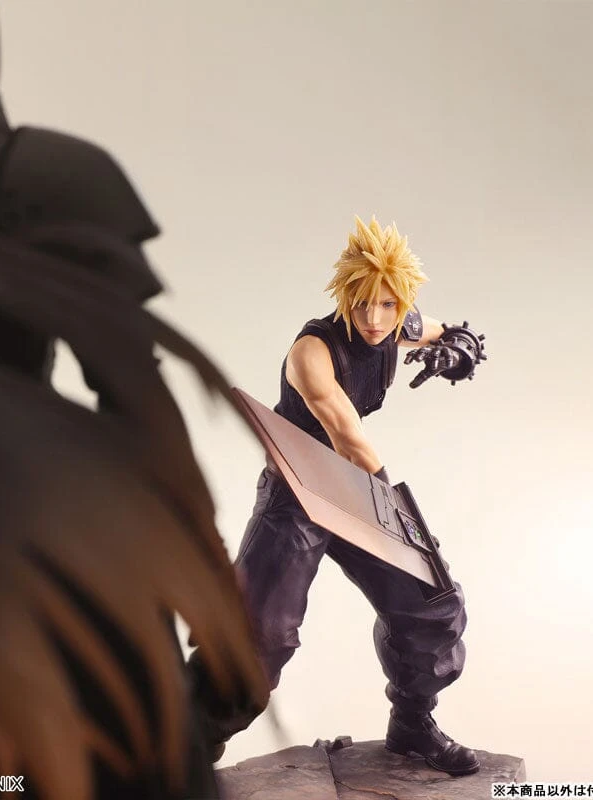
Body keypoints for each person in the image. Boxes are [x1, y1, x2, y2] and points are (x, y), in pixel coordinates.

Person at [0, 2, 267, 799]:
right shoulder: (37, 178)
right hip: (38, 569)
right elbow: (142, 409)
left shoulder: (18, 181)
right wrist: (219, 619)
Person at [191, 216, 486, 777]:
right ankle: (184, 745)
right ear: (345, 297)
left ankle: (412, 725)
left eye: (387, 305)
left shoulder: (398, 322)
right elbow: (349, 440)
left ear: (402, 302)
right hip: (298, 494)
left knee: (432, 606)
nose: (374, 319)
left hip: (351, 491)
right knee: (260, 637)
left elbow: (451, 333)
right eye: (362, 304)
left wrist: (455, 351)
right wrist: (403, 521)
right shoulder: (313, 352)